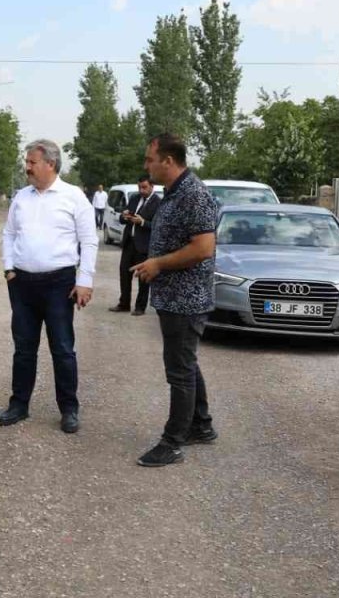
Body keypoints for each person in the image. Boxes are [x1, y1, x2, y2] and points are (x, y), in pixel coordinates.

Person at [0, 139, 98, 434]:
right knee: (24, 348)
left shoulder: (73, 196)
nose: (26, 167)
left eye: (32, 162)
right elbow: (8, 234)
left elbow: (89, 240)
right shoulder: (22, 197)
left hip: (59, 283)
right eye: (27, 162)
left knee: (63, 348)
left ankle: (69, 409)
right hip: (23, 284)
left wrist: (85, 280)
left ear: (50, 164)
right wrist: (9, 267)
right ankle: (19, 404)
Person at [131, 134, 219, 467]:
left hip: (186, 299)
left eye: (150, 159)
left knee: (179, 371)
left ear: (168, 161)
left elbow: (202, 248)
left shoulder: (193, 195)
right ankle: (201, 425)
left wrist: (157, 264)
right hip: (173, 297)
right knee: (187, 363)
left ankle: (173, 441)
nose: (146, 165)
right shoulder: (174, 193)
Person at [108, 175, 161, 316]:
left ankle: (140, 307)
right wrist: (123, 216)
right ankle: (124, 303)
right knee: (124, 274)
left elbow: (158, 226)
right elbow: (123, 218)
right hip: (129, 242)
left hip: (144, 246)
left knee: (143, 278)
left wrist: (142, 222)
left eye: (144, 187)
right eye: (139, 187)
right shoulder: (134, 198)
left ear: (152, 186)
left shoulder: (158, 203)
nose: (141, 190)